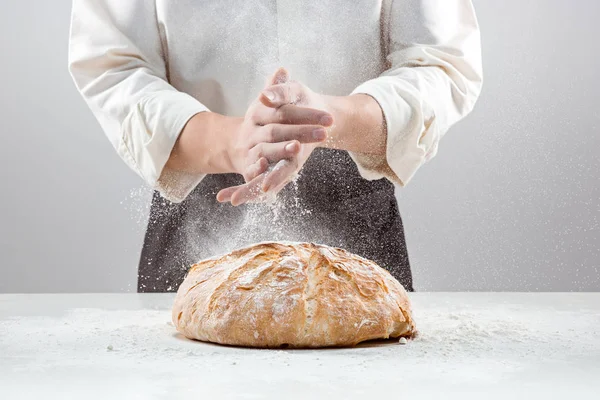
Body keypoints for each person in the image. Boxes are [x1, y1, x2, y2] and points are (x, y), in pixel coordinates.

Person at [69, 0, 482, 292]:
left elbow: (439, 61)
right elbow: (112, 65)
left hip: (354, 199)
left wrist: (326, 118)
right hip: (199, 192)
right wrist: (232, 141)